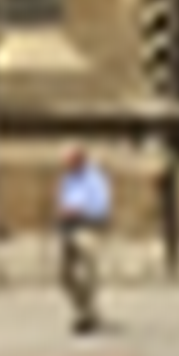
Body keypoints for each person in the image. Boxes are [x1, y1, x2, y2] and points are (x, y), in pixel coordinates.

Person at [53, 141, 117, 332]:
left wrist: (78, 211)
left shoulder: (95, 178)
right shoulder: (66, 178)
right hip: (68, 229)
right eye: (65, 162)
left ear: (80, 159)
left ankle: (86, 314)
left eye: (69, 161)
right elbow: (63, 201)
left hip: (88, 228)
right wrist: (62, 213)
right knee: (64, 276)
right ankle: (85, 309)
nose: (66, 165)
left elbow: (101, 207)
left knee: (88, 273)